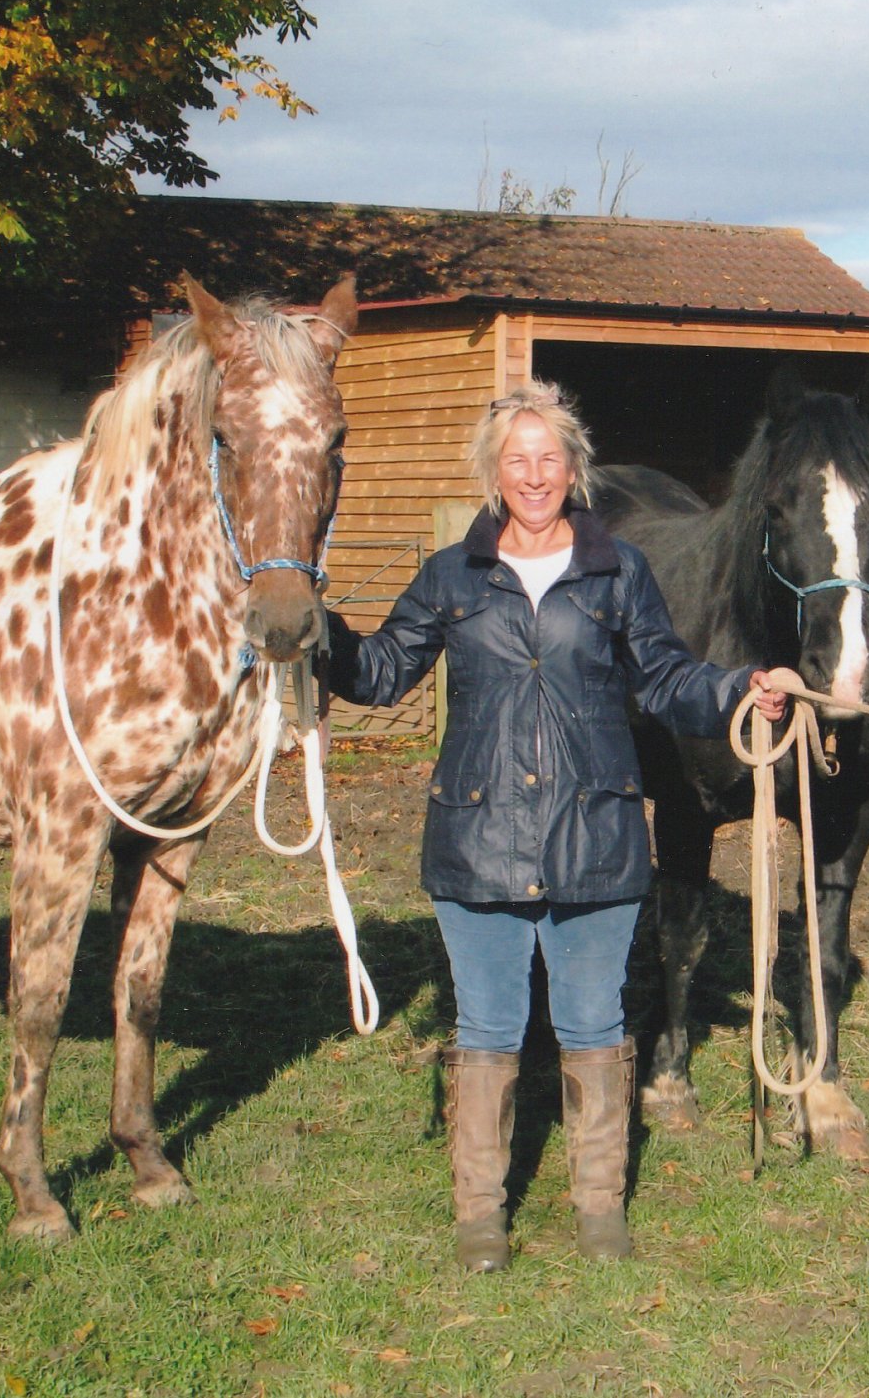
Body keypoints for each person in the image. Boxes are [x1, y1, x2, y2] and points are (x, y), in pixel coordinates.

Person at [324, 381, 794, 1272]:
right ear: (493, 474)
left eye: (550, 458)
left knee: (592, 1025)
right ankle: (479, 1215)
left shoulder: (619, 572)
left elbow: (664, 678)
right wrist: (323, 638)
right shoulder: (451, 576)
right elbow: (384, 671)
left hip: (596, 840)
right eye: (517, 460)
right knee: (488, 1031)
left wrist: (738, 687)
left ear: (573, 469)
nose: (534, 475)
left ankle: (597, 1205)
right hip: (479, 842)